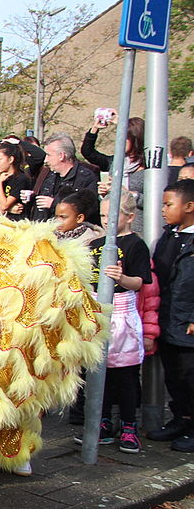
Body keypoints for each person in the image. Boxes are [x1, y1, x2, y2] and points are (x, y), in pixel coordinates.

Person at [84, 193, 151, 453]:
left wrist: (122, 277)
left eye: (112, 216)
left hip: (122, 314)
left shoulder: (136, 245)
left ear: (130, 216)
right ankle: (102, 422)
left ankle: (129, 425)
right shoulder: (96, 243)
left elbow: (140, 282)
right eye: (102, 216)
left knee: (125, 375)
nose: (106, 221)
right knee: (100, 374)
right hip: (98, 312)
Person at [147, 179, 194, 452]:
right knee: (174, 375)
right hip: (168, 317)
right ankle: (180, 419)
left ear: (189, 206)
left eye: (168, 204)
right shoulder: (169, 236)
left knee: (190, 376)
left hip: (187, 322)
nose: (163, 210)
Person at [29, 133, 99, 222]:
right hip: (44, 231)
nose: (45, 160)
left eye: (48, 155)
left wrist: (55, 204)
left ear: (61, 156)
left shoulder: (86, 178)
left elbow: (88, 210)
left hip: (72, 234)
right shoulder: (50, 175)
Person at [83, 114, 145, 197]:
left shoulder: (149, 166)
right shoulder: (116, 162)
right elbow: (88, 152)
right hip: (113, 209)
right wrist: (95, 128)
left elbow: (153, 201)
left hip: (133, 209)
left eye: (125, 137)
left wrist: (126, 193)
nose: (121, 140)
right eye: (119, 136)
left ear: (136, 138)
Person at [0, 142, 33, 220]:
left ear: (10, 159)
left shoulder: (20, 179)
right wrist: (9, 210)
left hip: (18, 224)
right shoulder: (2, 179)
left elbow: (4, 205)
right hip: (3, 223)